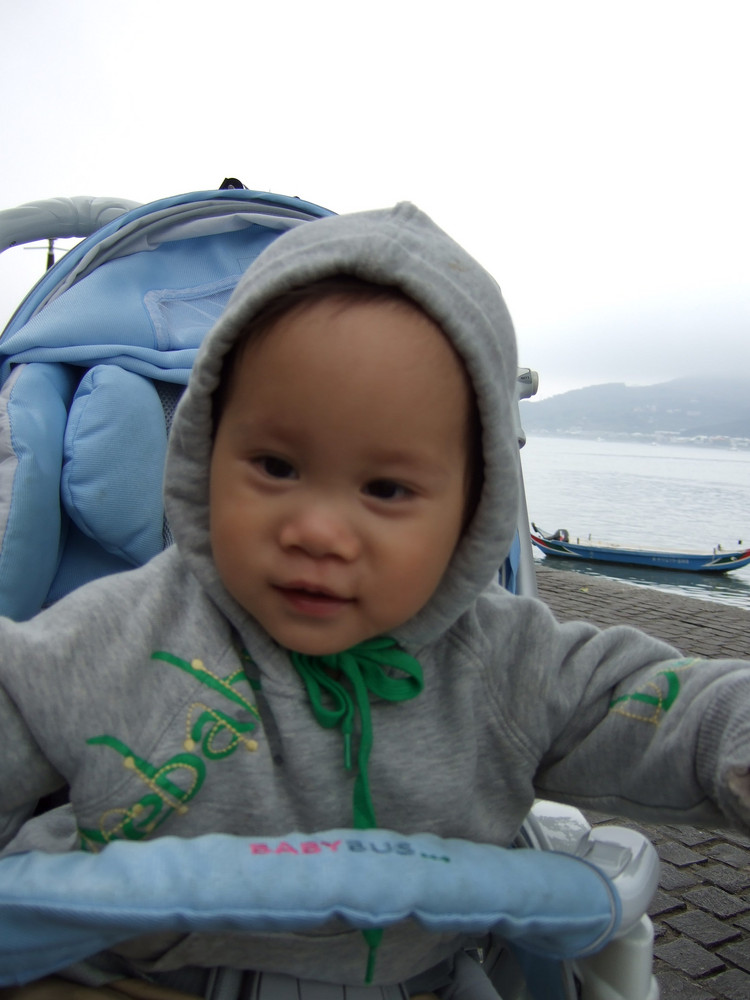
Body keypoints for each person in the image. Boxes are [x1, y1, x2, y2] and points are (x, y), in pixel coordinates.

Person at [1, 203, 749, 997]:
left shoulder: (505, 663)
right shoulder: (122, 635)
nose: (318, 531)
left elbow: (661, 704)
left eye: (386, 489)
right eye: (276, 467)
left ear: (473, 512)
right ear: (204, 453)